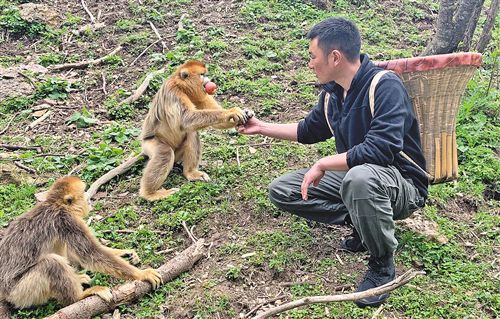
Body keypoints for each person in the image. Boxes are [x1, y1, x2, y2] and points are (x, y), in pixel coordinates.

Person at [237, 16, 428, 307]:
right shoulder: (333, 95)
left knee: (360, 178)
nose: (310, 64)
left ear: (335, 57)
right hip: (361, 179)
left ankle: (382, 265)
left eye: (313, 57)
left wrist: (324, 163)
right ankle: (365, 224)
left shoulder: (384, 86)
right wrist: (261, 127)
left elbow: (380, 150)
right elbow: (307, 130)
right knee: (284, 189)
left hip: (402, 183)